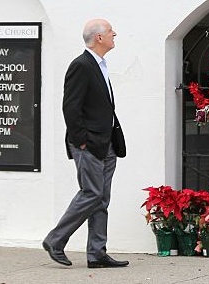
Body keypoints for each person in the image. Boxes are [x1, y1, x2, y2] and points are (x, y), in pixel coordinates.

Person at [42, 19, 128, 268]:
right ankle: (56, 240)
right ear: (99, 38)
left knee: (101, 199)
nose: (115, 33)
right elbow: (70, 107)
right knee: (92, 193)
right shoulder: (81, 65)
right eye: (111, 31)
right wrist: (81, 142)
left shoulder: (100, 64)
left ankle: (97, 253)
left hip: (107, 142)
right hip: (89, 144)